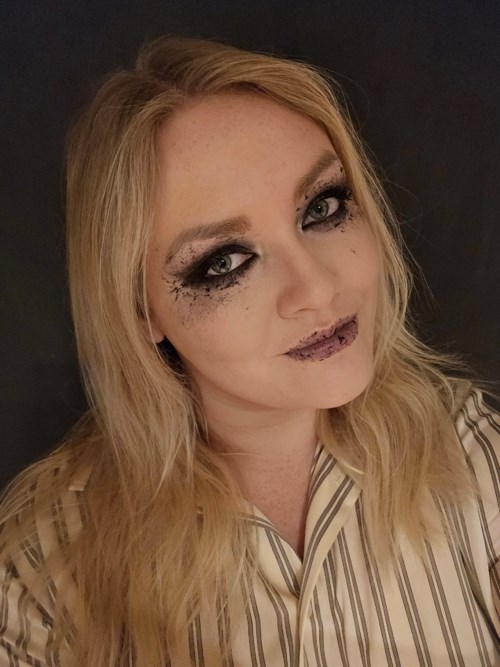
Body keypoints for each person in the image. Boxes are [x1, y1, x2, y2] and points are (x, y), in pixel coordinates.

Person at [0, 35, 498, 667]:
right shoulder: (42, 564)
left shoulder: (478, 461)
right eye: (225, 262)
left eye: (323, 207)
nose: (316, 289)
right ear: (140, 311)